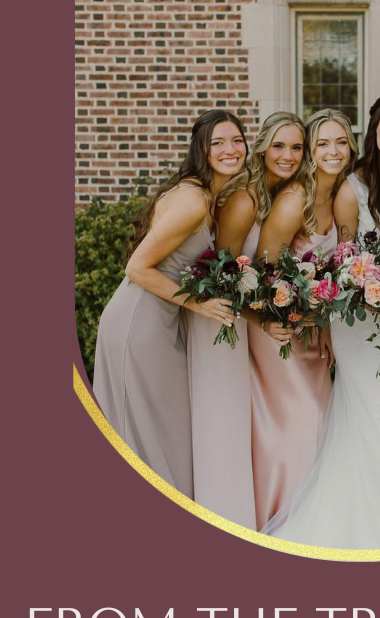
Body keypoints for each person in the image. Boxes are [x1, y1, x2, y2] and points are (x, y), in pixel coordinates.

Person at [265, 94, 380, 551]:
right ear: (373, 130)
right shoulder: (353, 189)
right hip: (363, 321)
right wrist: (334, 318)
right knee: (376, 411)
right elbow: (345, 263)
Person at [93, 110, 249, 512]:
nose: (230, 149)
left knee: (166, 434)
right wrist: (200, 303)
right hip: (140, 321)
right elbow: (136, 268)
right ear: (201, 149)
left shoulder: (208, 196)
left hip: (161, 320)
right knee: (148, 434)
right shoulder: (192, 200)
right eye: (218, 142)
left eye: (237, 140)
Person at [217, 111, 326, 529]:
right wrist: (261, 321)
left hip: (279, 320)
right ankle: (277, 521)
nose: (288, 155)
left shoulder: (286, 192)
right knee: (293, 421)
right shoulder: (245, 199)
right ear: (262, 147)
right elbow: (221, 277)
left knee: (298, 422)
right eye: (279, 146)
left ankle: (298, 517)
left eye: (296, 147)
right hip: (252, 324)